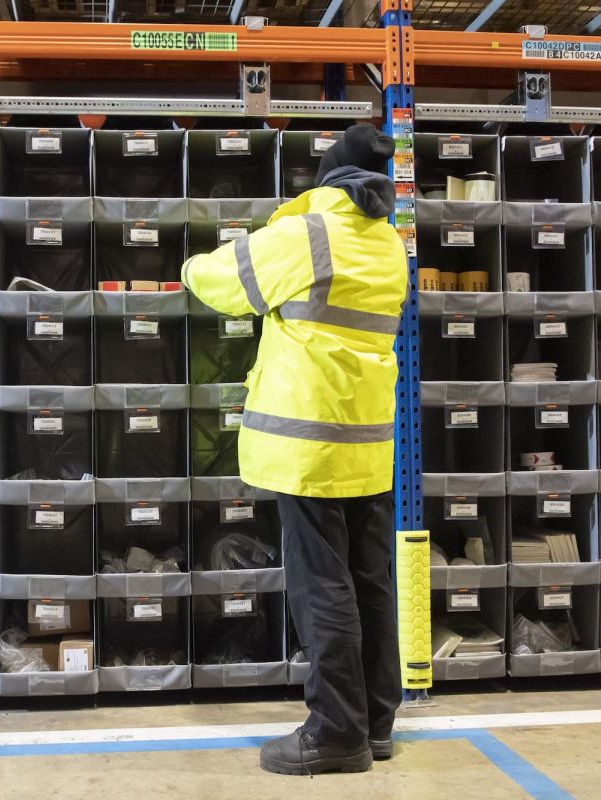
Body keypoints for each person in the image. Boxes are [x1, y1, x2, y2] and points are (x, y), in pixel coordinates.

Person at [181, 124, 408, 776]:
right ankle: (376, 721)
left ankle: (336, 733)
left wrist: (188, 264)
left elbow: (224, 281)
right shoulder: (389, 244)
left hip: (309, 446)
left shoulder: (311, 234)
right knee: (370, 583)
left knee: (322, 588)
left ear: (330, 179)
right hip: (366, 445)